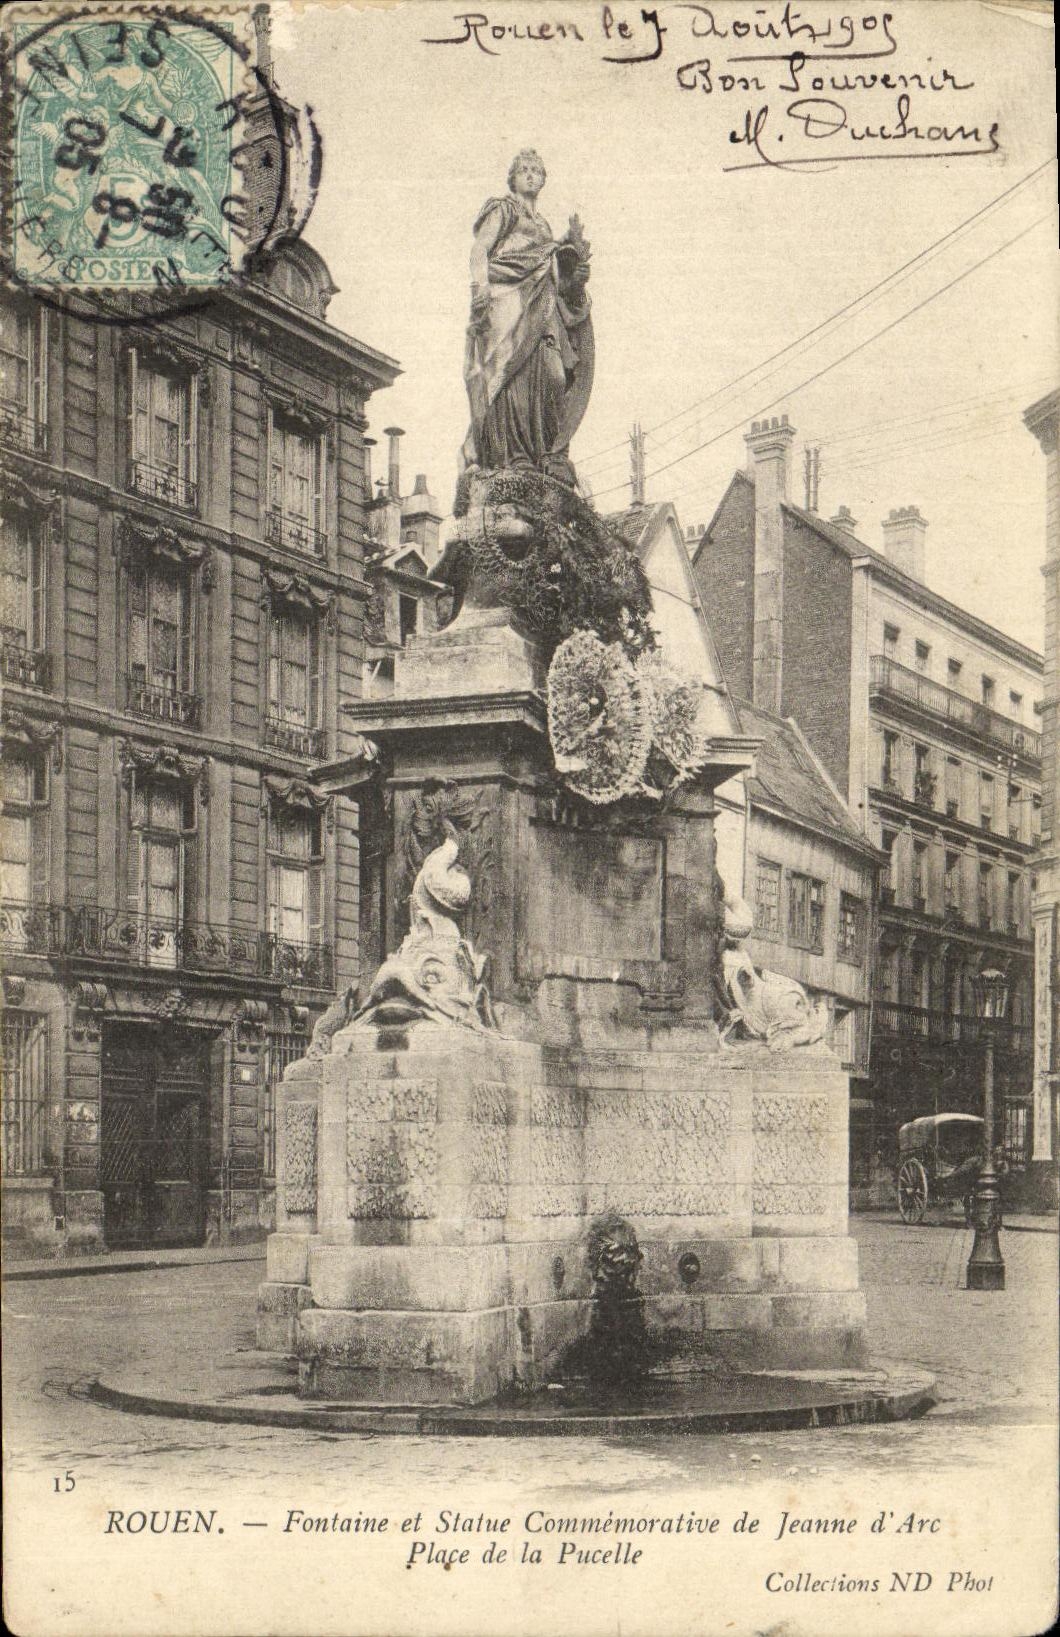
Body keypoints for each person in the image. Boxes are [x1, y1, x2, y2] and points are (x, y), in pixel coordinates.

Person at [461, 150, 594, 485]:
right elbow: (480, 249)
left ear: (544, 179)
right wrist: (479, 286)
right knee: (510, 375)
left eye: (537, 170)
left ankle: (542, 455)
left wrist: (573, 271)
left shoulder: (544, 226)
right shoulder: (504, 209)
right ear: (513, 178)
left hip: (542, 306)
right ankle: (512, 456)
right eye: (524, 170)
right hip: (508, 302)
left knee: (554, 376)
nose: (531, 175)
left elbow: (551, 271)